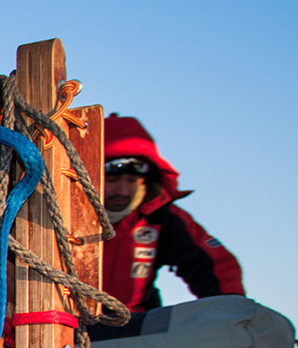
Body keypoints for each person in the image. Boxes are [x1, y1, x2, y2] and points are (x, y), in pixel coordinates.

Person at [100, 113, 244, 315]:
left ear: (146, 180)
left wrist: (230, 317)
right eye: (112, 181)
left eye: (132, 180)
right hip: (64, 327)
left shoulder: (161, 218)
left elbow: (215, 265)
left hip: (131, 329)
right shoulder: (59, 215)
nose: (122, 191)